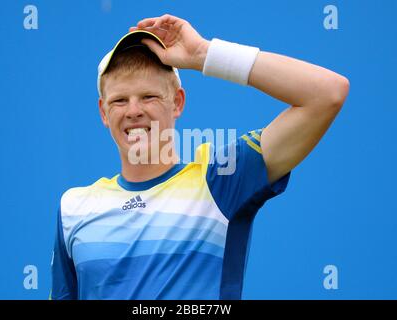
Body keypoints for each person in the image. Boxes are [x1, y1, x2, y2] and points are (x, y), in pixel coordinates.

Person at [51, 14, 349, 300]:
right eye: (119, 100)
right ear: (103, 112)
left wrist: (204, 53)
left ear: (177, 102)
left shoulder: (220, 180)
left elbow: (327, 93)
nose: (133, 111)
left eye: (149, 97)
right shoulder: (74, 208)